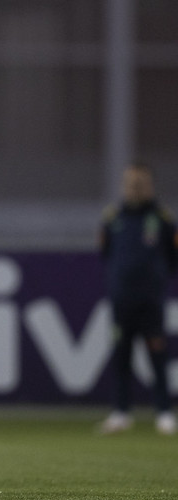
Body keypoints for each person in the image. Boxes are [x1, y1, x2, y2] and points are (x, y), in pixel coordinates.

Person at [98, 163, 177, 435]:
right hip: (122, 301)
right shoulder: (113, 217)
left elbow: (172, 257)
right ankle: (121, 412)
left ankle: (164, 413)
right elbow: (106, 252)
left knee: (158, 356)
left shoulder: (163, 218)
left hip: (151, 301)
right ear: (123, 185)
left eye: (141, 182)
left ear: (150, 185)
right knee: (122, 356)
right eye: (131, 182)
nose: (135, 187)